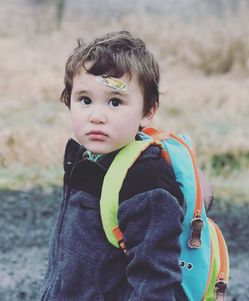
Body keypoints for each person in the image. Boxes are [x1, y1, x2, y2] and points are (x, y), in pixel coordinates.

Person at [40, 30, 190, 301]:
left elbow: (155, 282)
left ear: (148, 112)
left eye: (115, 102)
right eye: (85, 100)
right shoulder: (86, 160)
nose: (97, 116)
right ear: (68, 101)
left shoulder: (145, 177)